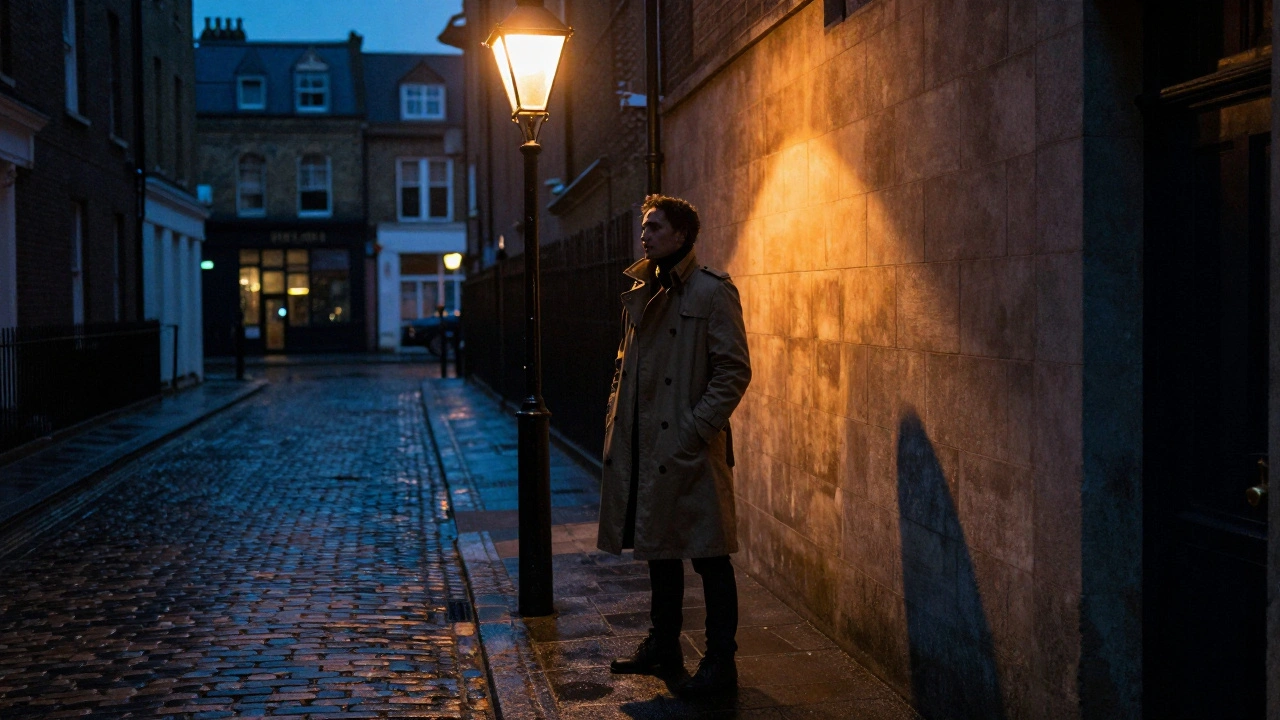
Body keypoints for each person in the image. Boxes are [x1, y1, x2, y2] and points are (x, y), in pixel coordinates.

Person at [596, 194, 751, 696]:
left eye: (656, 227)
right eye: (644, 227)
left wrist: (694, 429)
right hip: (648, 444)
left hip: (688, 450)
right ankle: (663, 644)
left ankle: (721, 663)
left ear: (682, 235)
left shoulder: (712, 292)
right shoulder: (642, 289)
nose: (646, 235)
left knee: (709, 557)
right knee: (658, 550)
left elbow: (733, 371)